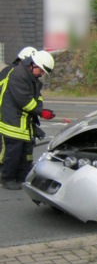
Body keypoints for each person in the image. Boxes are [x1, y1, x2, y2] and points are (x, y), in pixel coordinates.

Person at [0, 50, 55, 190]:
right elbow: (24, 101)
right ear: (33, 64)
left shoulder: (30, 77)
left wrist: (40, 110)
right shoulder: (18, 75)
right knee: (13, 152)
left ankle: (20, 176)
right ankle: (7, 178)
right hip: (13, 122)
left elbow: (37, 97)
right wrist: (41, 112)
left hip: (22, 121)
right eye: (41, 70)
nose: (41, 74)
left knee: (23, 151)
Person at [0, 46, 38, 166]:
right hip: (7, 118)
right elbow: (20, 99)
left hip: (16, 118)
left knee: (19, 151)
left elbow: (34, 95)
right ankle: (5, 176)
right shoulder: (14, 73)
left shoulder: (23, 73)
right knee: (8, 151)